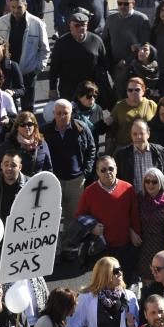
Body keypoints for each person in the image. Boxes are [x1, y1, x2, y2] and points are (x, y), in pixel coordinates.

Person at [76, 155, 141, 280]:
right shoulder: (89, 191)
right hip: (100, 247)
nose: (108, 172)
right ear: (97, 172)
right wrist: (92, 228)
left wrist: (134, 232)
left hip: (123, 245)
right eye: (103, 170)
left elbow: (134, 215)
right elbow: (79, 216)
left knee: (123, 281)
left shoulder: (128, 188)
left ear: (116, 169)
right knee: (103, 283)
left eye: (111, 168)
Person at [42, 100, 96, 249]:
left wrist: (86, 171)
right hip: (54, 181)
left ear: (71, 113)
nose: (62, 116)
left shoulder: (81, 128)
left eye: (65, 113)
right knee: (52, 217)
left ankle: (68, 247)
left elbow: (91, 148)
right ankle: (54, 249)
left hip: (76, 181)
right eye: (58, 113)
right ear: (53, 114)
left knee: (73, 217)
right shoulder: (45, 131)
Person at [70, 256, 139, 327]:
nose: (120, 273)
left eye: (121, 269)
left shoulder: (129, 297)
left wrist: (131, 325)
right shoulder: (86, 298)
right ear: (104, 275)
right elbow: (73, 325)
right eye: (116, 271)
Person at [0, 0, 48, 112]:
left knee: (28, 108)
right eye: (12, 7)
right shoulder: (2, 22)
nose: (15, 10)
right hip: (8, 71)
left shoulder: (37, 23)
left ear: (26, 5)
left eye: (19, 7)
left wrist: (38, 68)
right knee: (8, 108)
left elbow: (44, 49)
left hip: (28, 72)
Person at [48, 10, 111, 105]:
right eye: (77, 25)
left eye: (84, 25)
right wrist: (52, 88)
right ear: (70, 26)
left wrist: (105, 86)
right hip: (69, 89)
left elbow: (104, 64)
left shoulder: (96, 41)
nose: (81, 28)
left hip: (91, 89)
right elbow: (54, 68)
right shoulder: (61, 43)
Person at [104, 0, 151, 94]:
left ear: (133, 3)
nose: (122, 6)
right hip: (116, 68)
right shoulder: (111, 19)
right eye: (119, 3)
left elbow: (145, 45)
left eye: (126, 4)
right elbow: (105, 42)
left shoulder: (142, 20)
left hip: (135, 68)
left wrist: (127, 61)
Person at [114, 119, 164, 194]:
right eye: (135, 134)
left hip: (154, 199)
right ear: (131, 135)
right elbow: (117, 179)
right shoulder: (121, 155)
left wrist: (162, 193)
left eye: (142, 133)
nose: (138, 137)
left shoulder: (160, 151)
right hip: (132, 199)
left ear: (148, 134)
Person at [106, 78, 158, 152]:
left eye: (137, 90)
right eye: (130, 90)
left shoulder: (151, 104)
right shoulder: (119, 105)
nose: (133, 92)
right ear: (127, 92)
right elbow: (110, 126)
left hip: (146, 147)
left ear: (143, 91)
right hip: (124, 148)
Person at [1, 111, 51, 176]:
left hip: (38, 184)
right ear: (17, 127)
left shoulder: (42, 143)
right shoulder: (8, 145)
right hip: (18, 184)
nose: (26, 127)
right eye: (22, 125)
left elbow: (48, 168)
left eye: (30, 124)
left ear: (34, 126)